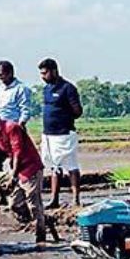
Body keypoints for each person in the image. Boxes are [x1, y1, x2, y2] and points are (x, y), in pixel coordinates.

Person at [0, 105, 47, 243]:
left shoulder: (11, 127)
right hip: (17, 169)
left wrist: (13, 176)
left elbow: (17, 153)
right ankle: (43, 220)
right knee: (14, 204)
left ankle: (41, 238)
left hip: (30, 167)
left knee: (34, 204)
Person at [39, 57, 83, 208]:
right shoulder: (46, 89)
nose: (43, 77)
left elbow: (77, 111)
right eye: (41, 74)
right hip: (49, 135)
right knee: (54, 167)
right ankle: (54, 200)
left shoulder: (67, 88)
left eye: (45, 73)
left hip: (64, 134)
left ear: (54, 71)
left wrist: (64, 117)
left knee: (71, 165)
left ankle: (76, 199)